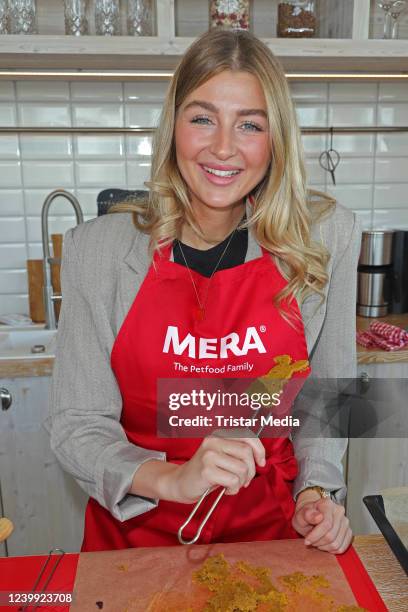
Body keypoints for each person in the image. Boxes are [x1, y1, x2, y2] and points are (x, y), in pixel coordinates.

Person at [48, 28, 361, 554]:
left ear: (276, 138)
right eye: (202, 119)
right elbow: (77, 423)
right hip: (135, 546)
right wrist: (171, 479)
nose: (223, 147)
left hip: (272, 540)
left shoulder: (326, 237)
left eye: (250, 125)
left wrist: (318, 489)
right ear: (173, 127)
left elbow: (325, 393)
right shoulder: (96, 253)